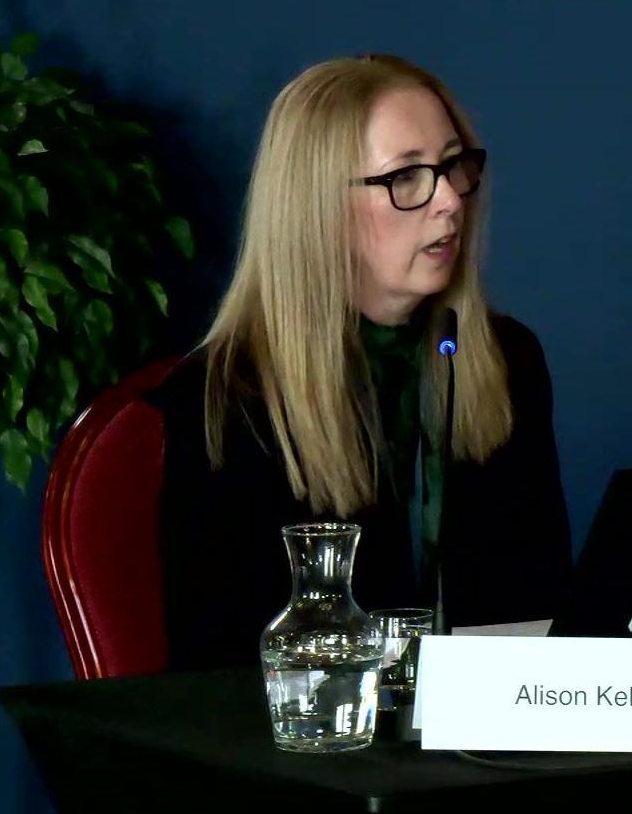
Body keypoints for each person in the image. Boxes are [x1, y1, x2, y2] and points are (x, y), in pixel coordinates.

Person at [145, 54, 573, 670]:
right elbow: (216, 666)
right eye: (406, 179)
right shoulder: (224, 396)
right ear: (318, 207)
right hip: (318, 748)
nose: (450, 199)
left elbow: (542, 606)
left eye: (453, 165)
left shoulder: (506, 358)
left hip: (488, 750)